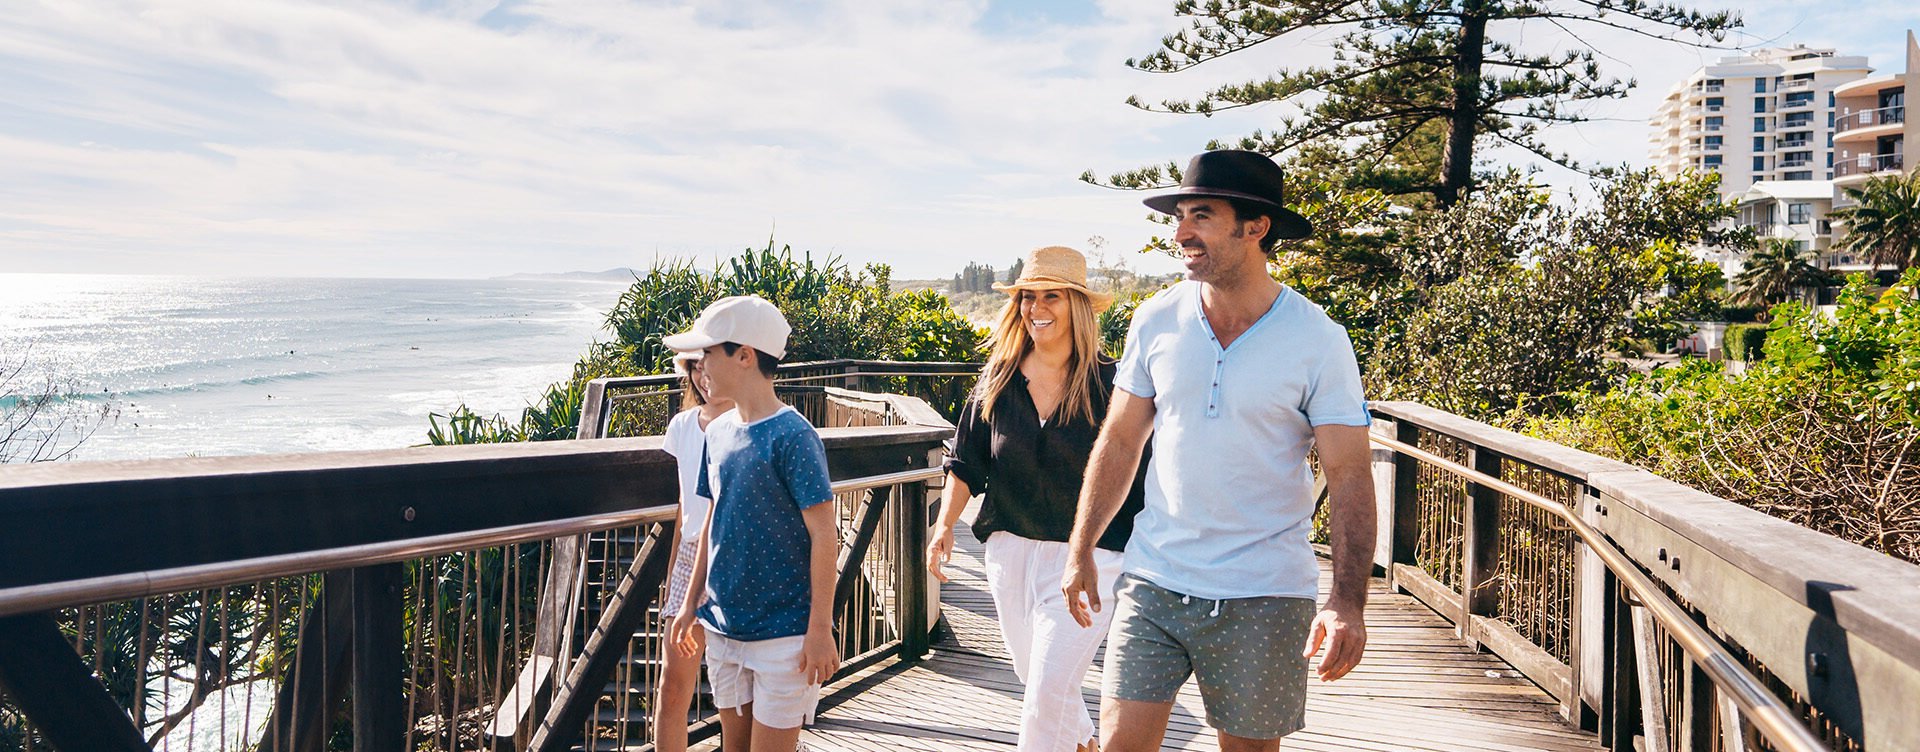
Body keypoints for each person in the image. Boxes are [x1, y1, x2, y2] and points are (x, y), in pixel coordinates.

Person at [1061, 150, 1379, 752]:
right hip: (1154, 579)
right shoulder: (1156, 319)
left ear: (1255, 227)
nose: (1181, 233)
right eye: (1180, 216)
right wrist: (1081, 549)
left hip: (1265, 592)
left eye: (1201, 216)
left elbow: (1349, 473)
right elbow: (1122, 439)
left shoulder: (1318, 340)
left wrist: (1346, 602)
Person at [928, 246, 1148, 752]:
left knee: (1047, 692)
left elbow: (1141, 469)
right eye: (1028, 296)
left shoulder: (1112, 384)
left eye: (1052, 296)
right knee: (1040, 683)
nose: (1036, 308)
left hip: (1091, 557)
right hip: (1008, 553)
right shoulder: (999, 379)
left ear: (1077, 305)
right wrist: (944, 527)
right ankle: (1086, 744)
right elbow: (965, 463)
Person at [666, 295, 839, 752]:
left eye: (708, 352)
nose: (699, 365)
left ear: (744, 356)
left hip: (784, 637)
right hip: (724, 628)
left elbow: (825, 533)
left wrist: (819, 630)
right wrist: (689, 606)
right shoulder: (716, 433)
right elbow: (711, 523)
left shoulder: (794, 436)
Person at [654, 350, 735, 752]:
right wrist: (673, 573)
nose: (704, 378)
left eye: (709, 366)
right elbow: (685, 505)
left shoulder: (749, 424)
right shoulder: (683, 426)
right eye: (695, 368)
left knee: (735, 693)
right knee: (672, 684)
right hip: (690, 555)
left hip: (737, 557)